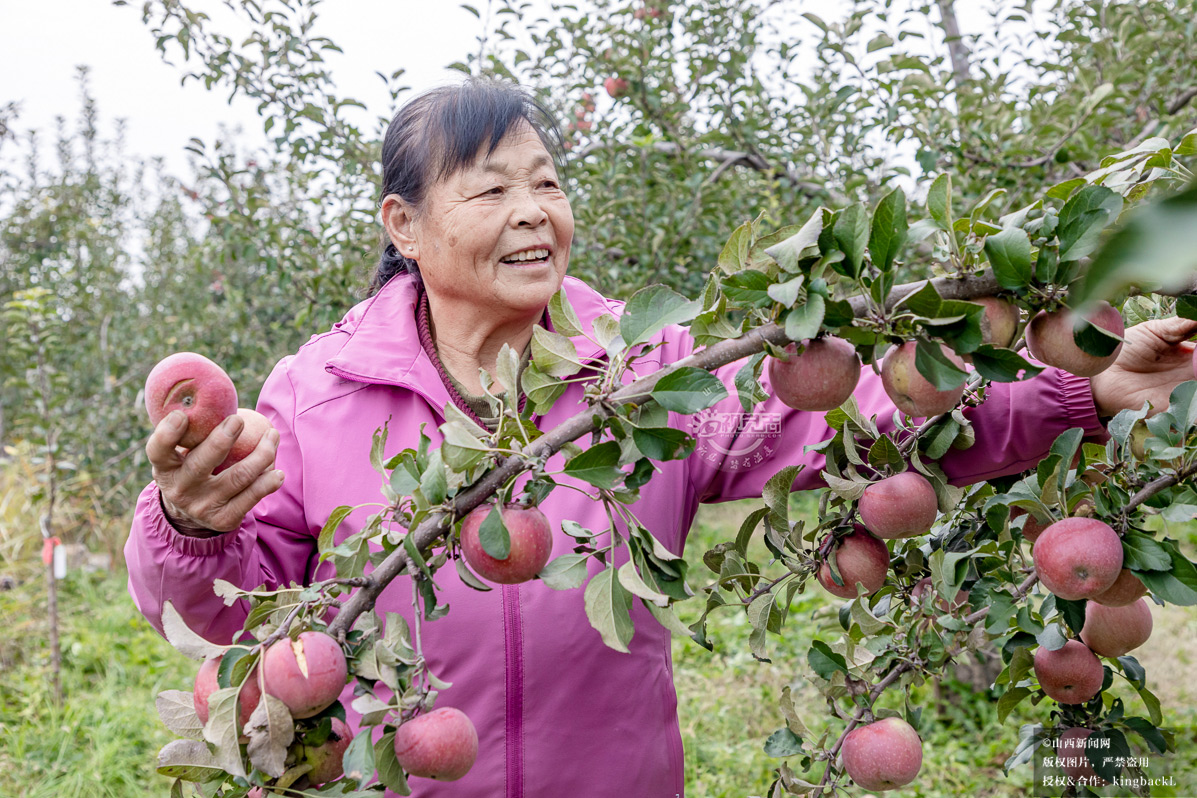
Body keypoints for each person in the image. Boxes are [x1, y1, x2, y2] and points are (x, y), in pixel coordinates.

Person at [125, 78, 1197, 797]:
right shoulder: (314, 396)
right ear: (403, 226)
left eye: (547, 182)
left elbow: (878, 433)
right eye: (491, 188)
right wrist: (187, 525)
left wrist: (1086, 392)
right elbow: (228, 616)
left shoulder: (645, 375)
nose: (533, 210)